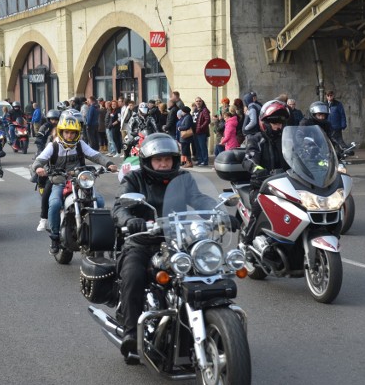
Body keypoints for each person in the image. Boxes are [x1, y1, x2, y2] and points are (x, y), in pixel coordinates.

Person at [112, 132, 231, 358]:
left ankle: (212, 322)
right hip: (143, 240)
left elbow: (199, 199)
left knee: (207, 269)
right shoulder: (134, 179)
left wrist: (219, 212)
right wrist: (129, 220)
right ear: (148, 161)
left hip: (178, 239)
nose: (164, 164)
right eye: (159, 159)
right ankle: (130, 333)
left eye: (168, 159)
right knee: (133, 273)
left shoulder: (184, 178)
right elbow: (119, 206)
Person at [32, 111, 118, 253]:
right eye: (67, 132)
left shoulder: (80, 144)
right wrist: (39, 167)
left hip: (79, 180)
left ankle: (97, 231)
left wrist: (108, 163)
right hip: (59, 180)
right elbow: (39, 160)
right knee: (54, 204)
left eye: (73, 133)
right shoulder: (53, 146)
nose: (70, 135)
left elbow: (95, 155)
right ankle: (54, 237)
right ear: (61, 132)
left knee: (100, 201)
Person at [240, 100, 290, 246]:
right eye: (274, 122)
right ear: (265, 122)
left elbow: (301, 154)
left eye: (280, 122)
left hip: (288, 185)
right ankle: (246, 243)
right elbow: (249, 158)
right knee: (259, 205)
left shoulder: (288, 140)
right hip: (263, 186)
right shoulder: (256, 139)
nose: (278, 126)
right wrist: (258, 169)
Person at [194, 97, 210, 166]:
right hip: (195, 131)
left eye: (199, 101)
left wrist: (201, 127)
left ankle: (205, 161)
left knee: (202, 147)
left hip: (201, 132)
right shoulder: (195, 110)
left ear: (202, 102)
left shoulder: (204, 110)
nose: (198, 102)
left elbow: (207, 120)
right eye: (197, 101)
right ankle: (200, 160)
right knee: (197, 147)